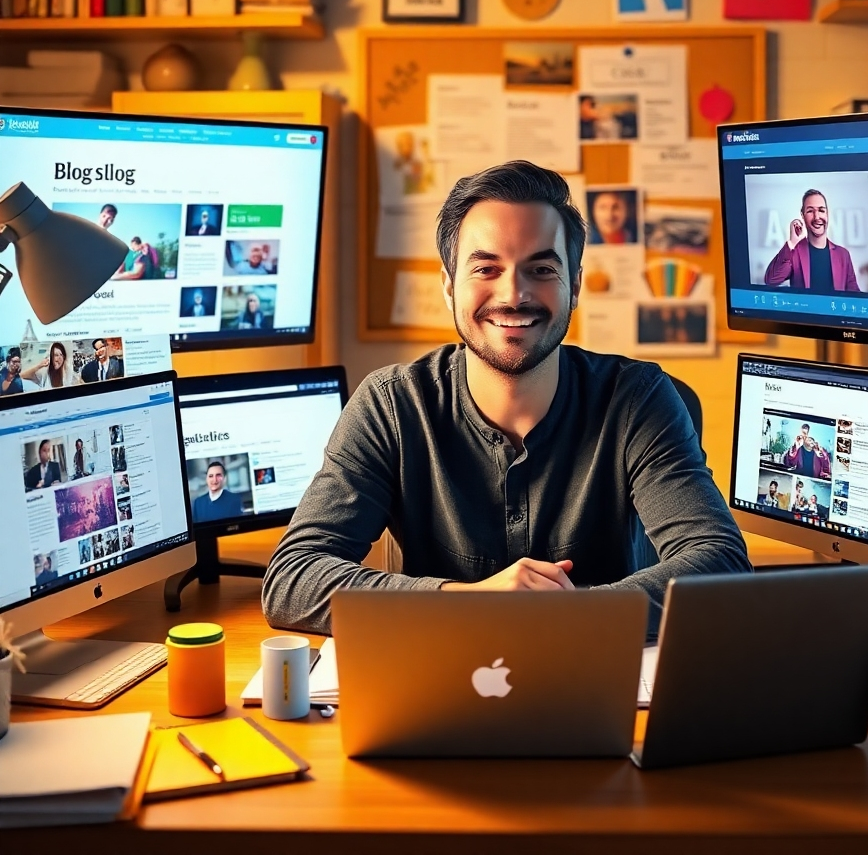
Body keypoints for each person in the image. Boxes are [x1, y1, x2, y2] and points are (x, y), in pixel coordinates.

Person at [262, 160, 750, 635]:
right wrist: (470, 602)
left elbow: (721, 563)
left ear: (575, 285)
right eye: (486, 269)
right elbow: (292, 579)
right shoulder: (391, 405)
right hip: (441, 687)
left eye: (541, 268)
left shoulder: (638, 400)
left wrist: (564, 613)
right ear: (450, 285)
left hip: (602, 679)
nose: (514, 294)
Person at [764, 190, 859, 292]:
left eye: (821, 210)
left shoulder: (843, 254)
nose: (817, 217)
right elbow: (771, 281)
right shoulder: (794, 252)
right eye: (810, 211)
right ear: (802, 215)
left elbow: (854, 295)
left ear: (827, 214)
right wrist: (791, 243)